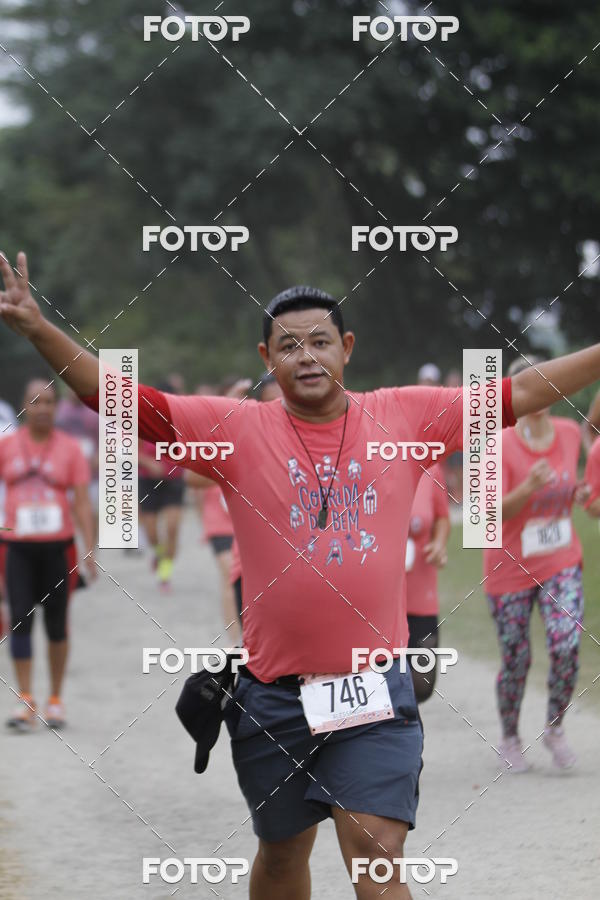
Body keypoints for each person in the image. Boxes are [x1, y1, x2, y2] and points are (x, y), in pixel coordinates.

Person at [4, 255, 600, 898]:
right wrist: (40, 329)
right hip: (274, 697)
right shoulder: (235, 429)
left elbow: (524, 393)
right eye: (289, 346)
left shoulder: (407, 416)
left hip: (374, 691)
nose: (307, 356)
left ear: (345, 348)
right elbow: (127, 403)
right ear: (267, 357)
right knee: (284, 855)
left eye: (320, 341)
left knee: (376, 848)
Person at [483, 356, 589, 773]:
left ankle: (555, 727)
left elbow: (570, 485)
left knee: (566, 644)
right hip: (509, 568)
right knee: (517, 657)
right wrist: (528, 487)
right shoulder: (496, 443)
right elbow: (490, 513)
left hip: (561, 559)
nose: (540, 394)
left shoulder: (568, 433)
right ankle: (509, 736)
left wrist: (577, 493)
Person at [0, 377, 96, 731]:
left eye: (49, 402)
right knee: (20, 621)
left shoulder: (70, 449)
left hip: (60, 550)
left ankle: (55, 698)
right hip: (17, 550)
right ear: (24, 406)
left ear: (57, 407)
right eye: (35, 402)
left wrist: (90, 549)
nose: (42, 409)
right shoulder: (7, 446)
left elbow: (83, 502)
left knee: (57, 626)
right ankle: (25, 698)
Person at [405, 464, 450, 703]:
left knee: (422, 685)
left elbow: (442, 517)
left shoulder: (431, 469)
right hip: (377, 603)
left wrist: (439, 544)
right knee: (381, 687)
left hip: (420, 595)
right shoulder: (364, 460)